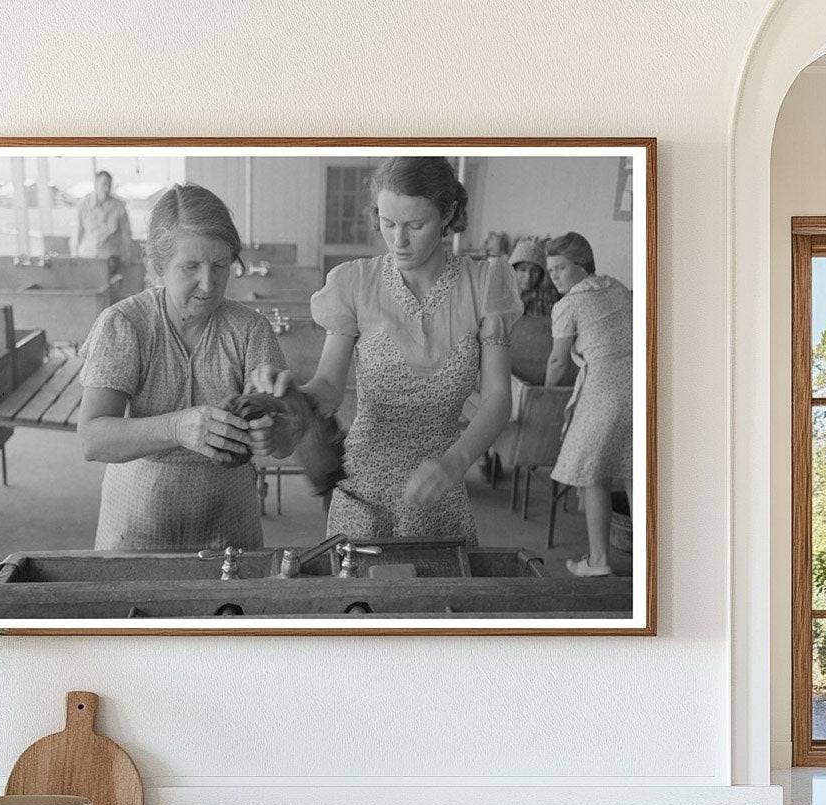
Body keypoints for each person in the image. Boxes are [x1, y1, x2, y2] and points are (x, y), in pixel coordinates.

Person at [250, 156, 522, 544]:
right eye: (388, 222)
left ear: (448, 215)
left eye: (415, 225)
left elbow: (497, 397)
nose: (399, 241)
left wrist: (455, 463)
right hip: (363, 483)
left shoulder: (485, 284)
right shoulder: (354, 282)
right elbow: (328, 385)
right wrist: (293, 394)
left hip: (440, 482)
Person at [77, 183, 286, 551]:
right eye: (190, 266)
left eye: (221, 265)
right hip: (137, 521)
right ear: (157, 267)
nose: (209, 283)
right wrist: (177, 427)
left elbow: (282, 443)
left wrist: (276, 431)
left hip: (229, 524)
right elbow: (93, 439)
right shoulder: (126, 324)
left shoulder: (250, 328)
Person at [544, 232, 633, 577]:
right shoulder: (618, 288)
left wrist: (547, 394)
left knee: (593, 474)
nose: (554, 276)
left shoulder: (568, 305)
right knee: (632, 472)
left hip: (605, 390)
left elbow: (556, 362)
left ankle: (599, 561)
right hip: (639, 384)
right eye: (550, 269)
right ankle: (652, 560)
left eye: (560, 268)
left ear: (582, 267)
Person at [507, 236, 564, 385]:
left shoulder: (547, 297)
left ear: (542, 274)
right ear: (513, 270)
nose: (528, 277)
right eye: (522, 270)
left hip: (536, 363)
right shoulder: (503, 292)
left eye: (534, 271)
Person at [72, 170, 134, 260]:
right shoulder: (83, 205)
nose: (107, 189)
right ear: (95, 185)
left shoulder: (119, 206)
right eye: (104, 184)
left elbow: (126, 233)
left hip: (111, 259)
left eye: (109, 185)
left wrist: (127, 255)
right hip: (87, 255)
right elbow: (77, 231)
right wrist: (74, 255)